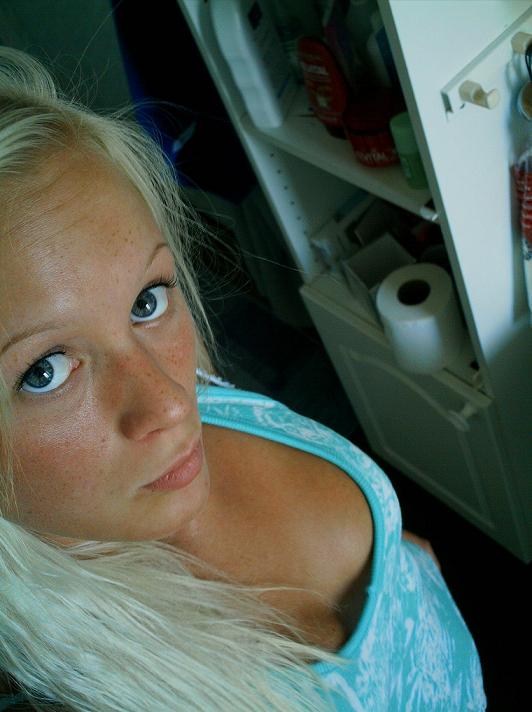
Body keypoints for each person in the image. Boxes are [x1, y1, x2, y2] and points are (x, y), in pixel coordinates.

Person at [0, 46, 486, 711]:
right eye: (45, 371)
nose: (172, 404)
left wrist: (396, 552)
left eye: (146, 300)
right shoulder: (67, 693)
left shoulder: (199, 394)